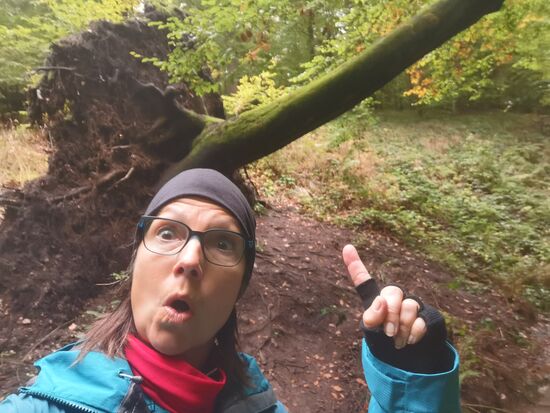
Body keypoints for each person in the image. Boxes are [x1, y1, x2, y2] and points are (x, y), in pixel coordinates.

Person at [0, 168, 460, 413]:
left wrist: (410, 376)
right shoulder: (42, 407)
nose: (189, 259)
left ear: (240, 285)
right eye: (167, 232)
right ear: (135, 260)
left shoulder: (257, 406)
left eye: (222, 243)